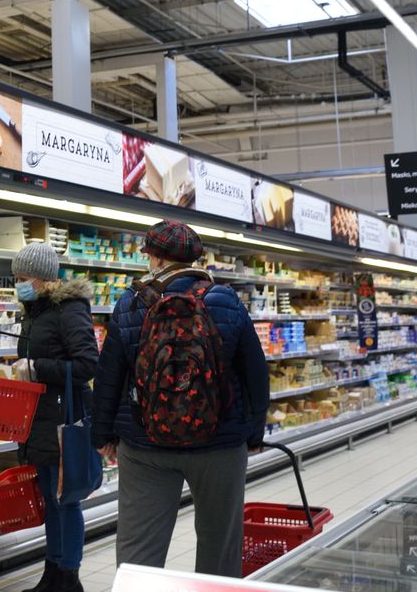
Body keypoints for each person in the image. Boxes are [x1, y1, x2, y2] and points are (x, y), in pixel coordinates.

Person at [92, 220, 268, 578]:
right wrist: (253, 432)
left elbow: (108, 376)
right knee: (220, 547)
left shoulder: (131, 303)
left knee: (138, 551)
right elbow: (255, 372)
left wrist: (103, 436)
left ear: (154, 257)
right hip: (219, 444)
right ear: (197, 258)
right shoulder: (227, 301)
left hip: (145, 448)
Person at [11, 244, 99, 592]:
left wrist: (36, 369)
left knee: (66, 499)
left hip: (66, 416)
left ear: (44, 279)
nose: (19, 284)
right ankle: (52, 572)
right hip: (39, 417)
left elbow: (87, 364)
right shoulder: (34, 311)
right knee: (50, 498)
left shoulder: (70, 309)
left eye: (23, 278)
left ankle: (69, 577)